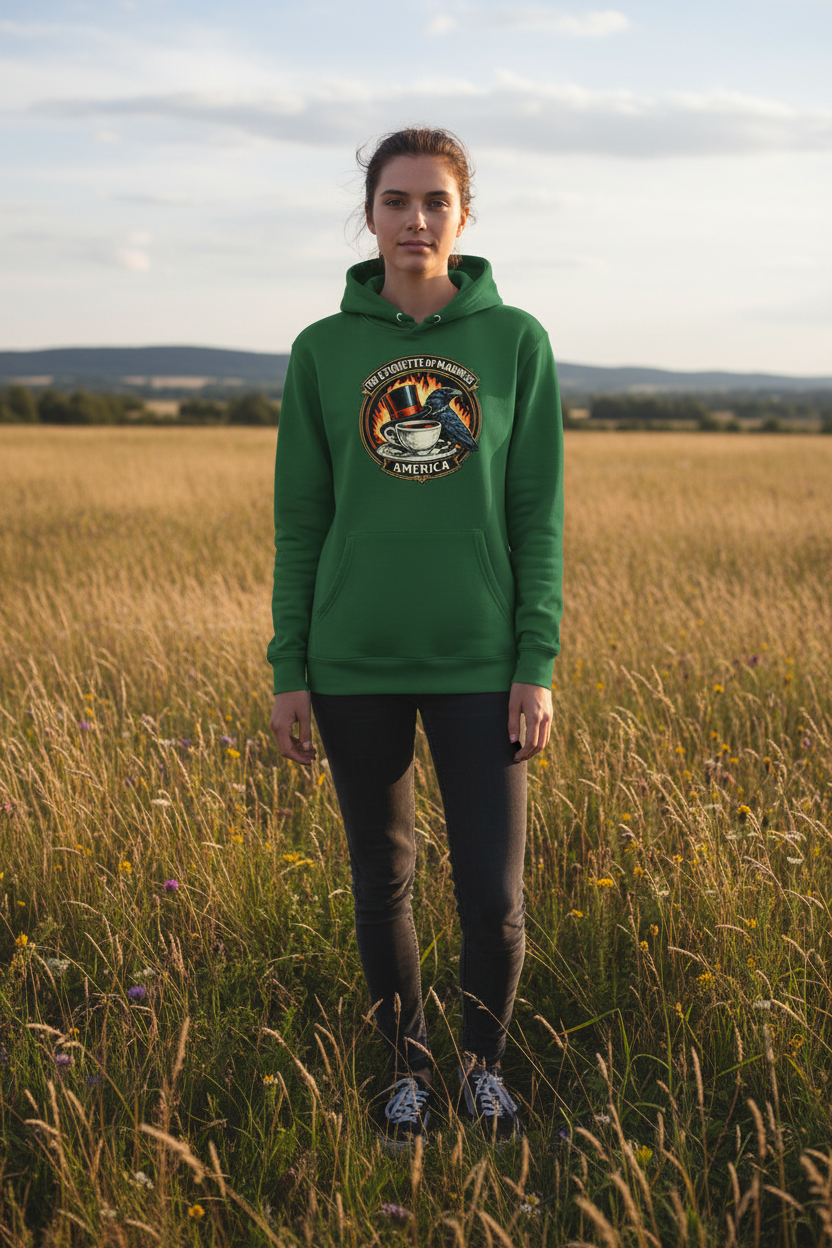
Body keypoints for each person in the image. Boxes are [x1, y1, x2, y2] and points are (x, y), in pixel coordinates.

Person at [268, 127, 563, 1151]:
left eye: (436, 201)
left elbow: (536, 517)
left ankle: (483, 1070)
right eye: (396, 200)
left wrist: (535, 662)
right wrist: (289, 668)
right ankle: (407, 1074)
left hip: (483, 663)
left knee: (493, 893)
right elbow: (301, 522)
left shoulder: (515, 340)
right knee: (380, 883)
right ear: (369, 216)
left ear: (463, 217)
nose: (416, 220)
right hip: (352, 663)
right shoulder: (322, 349)